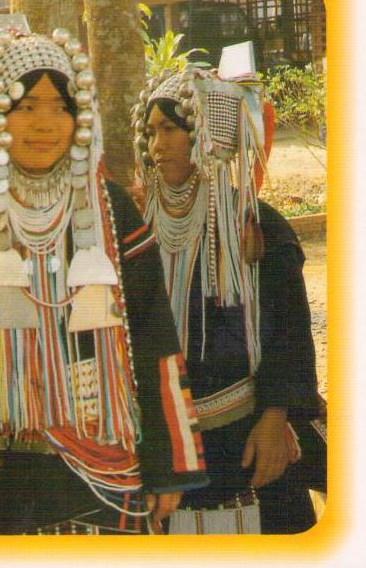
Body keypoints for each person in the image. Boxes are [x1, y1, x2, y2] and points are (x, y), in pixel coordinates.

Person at [0, 26, 209, 535]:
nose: (45, 123)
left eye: (60, 107)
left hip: (107, 460)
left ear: (79, 117)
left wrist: (168, 464)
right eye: (26, 107)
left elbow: (154, 336)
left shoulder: (109, 210)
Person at [132, 67, 321, 533]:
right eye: (151, 132)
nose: (157, 146)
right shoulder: (139, 233)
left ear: (210, 135)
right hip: (171, 439)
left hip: (251, 432)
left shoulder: (260, 229)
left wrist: (276, 417)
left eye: (171, 129)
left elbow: (289, 334)